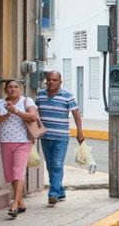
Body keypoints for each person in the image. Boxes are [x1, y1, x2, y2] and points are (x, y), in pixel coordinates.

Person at [0, 79, 39, 218]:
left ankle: (15, 205)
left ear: (20, 89)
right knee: (11, 174)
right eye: (10, 87)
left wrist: (15, 110)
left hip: (23, 141)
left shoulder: (27, 101)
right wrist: (6, 115)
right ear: (6, 90)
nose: (13, 89)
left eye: (16, 87)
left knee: (18, 172)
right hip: (5, 141)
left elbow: (33, 117)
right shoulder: (0, 103)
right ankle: (21, 202)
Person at [36, 71, 85, 205]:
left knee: (57, 164)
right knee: (51, 166)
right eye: (49, 80)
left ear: (60, 82)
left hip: (61, 137)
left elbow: (76, 114)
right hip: (45, 137)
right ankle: (60, 190)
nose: (51, 82)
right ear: (46, 81)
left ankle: (53, 194)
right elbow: (36, 113)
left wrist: (80, 132)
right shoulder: (40, 95)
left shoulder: (67, 96)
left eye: (54, 80)